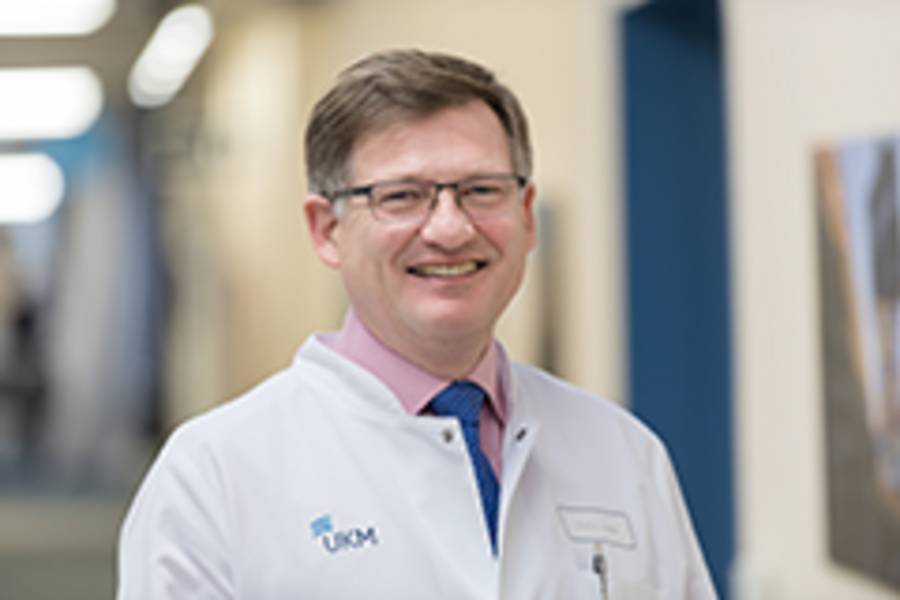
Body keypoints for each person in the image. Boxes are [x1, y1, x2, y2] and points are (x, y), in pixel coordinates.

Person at [117, 49, 717, 600]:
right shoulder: (214, 476)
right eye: (402, 196)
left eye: (482, 190)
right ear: (327, 230)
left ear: (527, 216)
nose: (450, 229)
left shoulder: (623, 453)